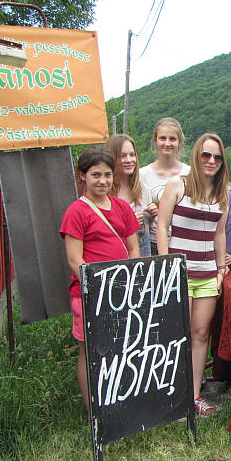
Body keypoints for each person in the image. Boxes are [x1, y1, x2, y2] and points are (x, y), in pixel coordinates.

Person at [60, 145, 140, 411]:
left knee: (121, 347)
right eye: (96, 175)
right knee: (91, 350)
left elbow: (133, 249)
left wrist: (129, 283)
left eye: (107, 175)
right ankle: (93, 409)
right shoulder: (76, 212)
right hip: (90, 293)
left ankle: (119, 400)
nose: (103, 181)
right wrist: (99, 288)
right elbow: (75, 259)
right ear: (82, 175)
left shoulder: (122, 208)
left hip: (122, 292)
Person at [157, 133, 229, 417]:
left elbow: (219, 234)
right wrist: (168, 265)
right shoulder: (179, 185)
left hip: (208, 274)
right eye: (206, 155)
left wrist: (221, 269)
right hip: (180, 273)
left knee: (201, 334)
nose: (211, 161)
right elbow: (162, 226)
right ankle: (172, 394)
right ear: (197, 155)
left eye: (217, 157)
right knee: (178, 334)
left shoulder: (223, 194)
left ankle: (195, 396)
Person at [139, 117, 190, 255]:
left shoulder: (190, 173)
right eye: (162, 138)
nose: (167, 143)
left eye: (172, 139)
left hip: (183, 244)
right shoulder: (142, 175)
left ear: (179, 142)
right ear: (155, 140)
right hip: (152, 244)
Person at [107, 134, 156, 257]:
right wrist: (128, 222)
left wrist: (151, 217)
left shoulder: (143, 189)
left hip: (143, 256)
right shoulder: (105, 192)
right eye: (122, 156)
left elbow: (147, 230)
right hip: (117, 257)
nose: (129, 160)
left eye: (132, 155)